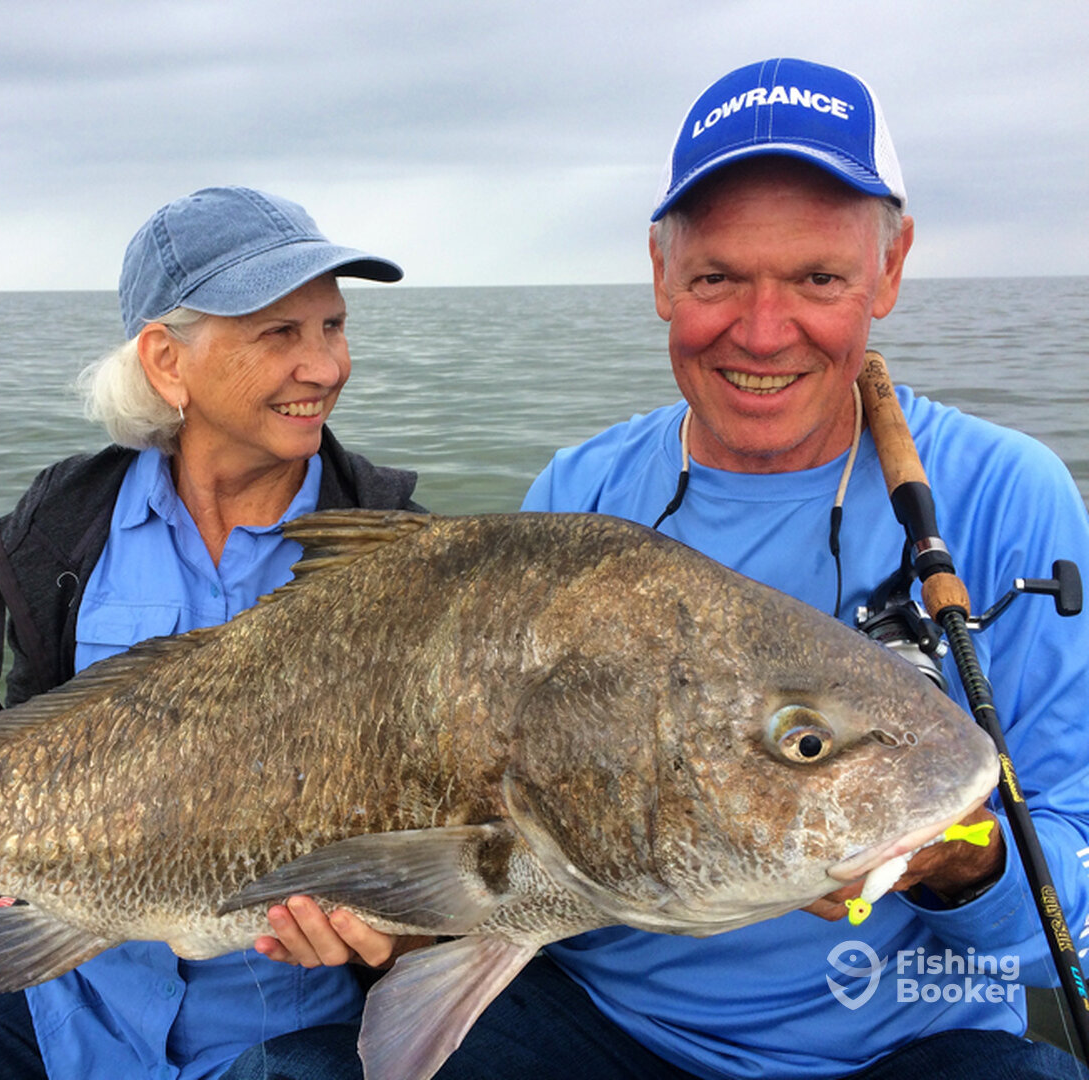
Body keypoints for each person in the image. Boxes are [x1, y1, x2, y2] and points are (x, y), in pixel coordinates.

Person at [220, 59, 1089, 1079]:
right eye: (717, 277)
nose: (762, 331)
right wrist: (387, 917)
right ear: (661, 274)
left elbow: (1067, 913)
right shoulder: (581, 490)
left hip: (907, 1045)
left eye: (818, 278)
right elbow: (484, 821)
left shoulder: (1006, 493)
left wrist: (958, 857)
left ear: (889, 271)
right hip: (597, 1026)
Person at [0, 185, 423, 1080]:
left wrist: (393, 943)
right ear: (167, 361)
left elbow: (453, 849)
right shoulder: (62, 525)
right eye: (280, 333)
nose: (325, 366)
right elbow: (32, 743)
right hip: (65, 994)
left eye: (333, 326)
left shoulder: (399, 553)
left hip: (292, 1023)